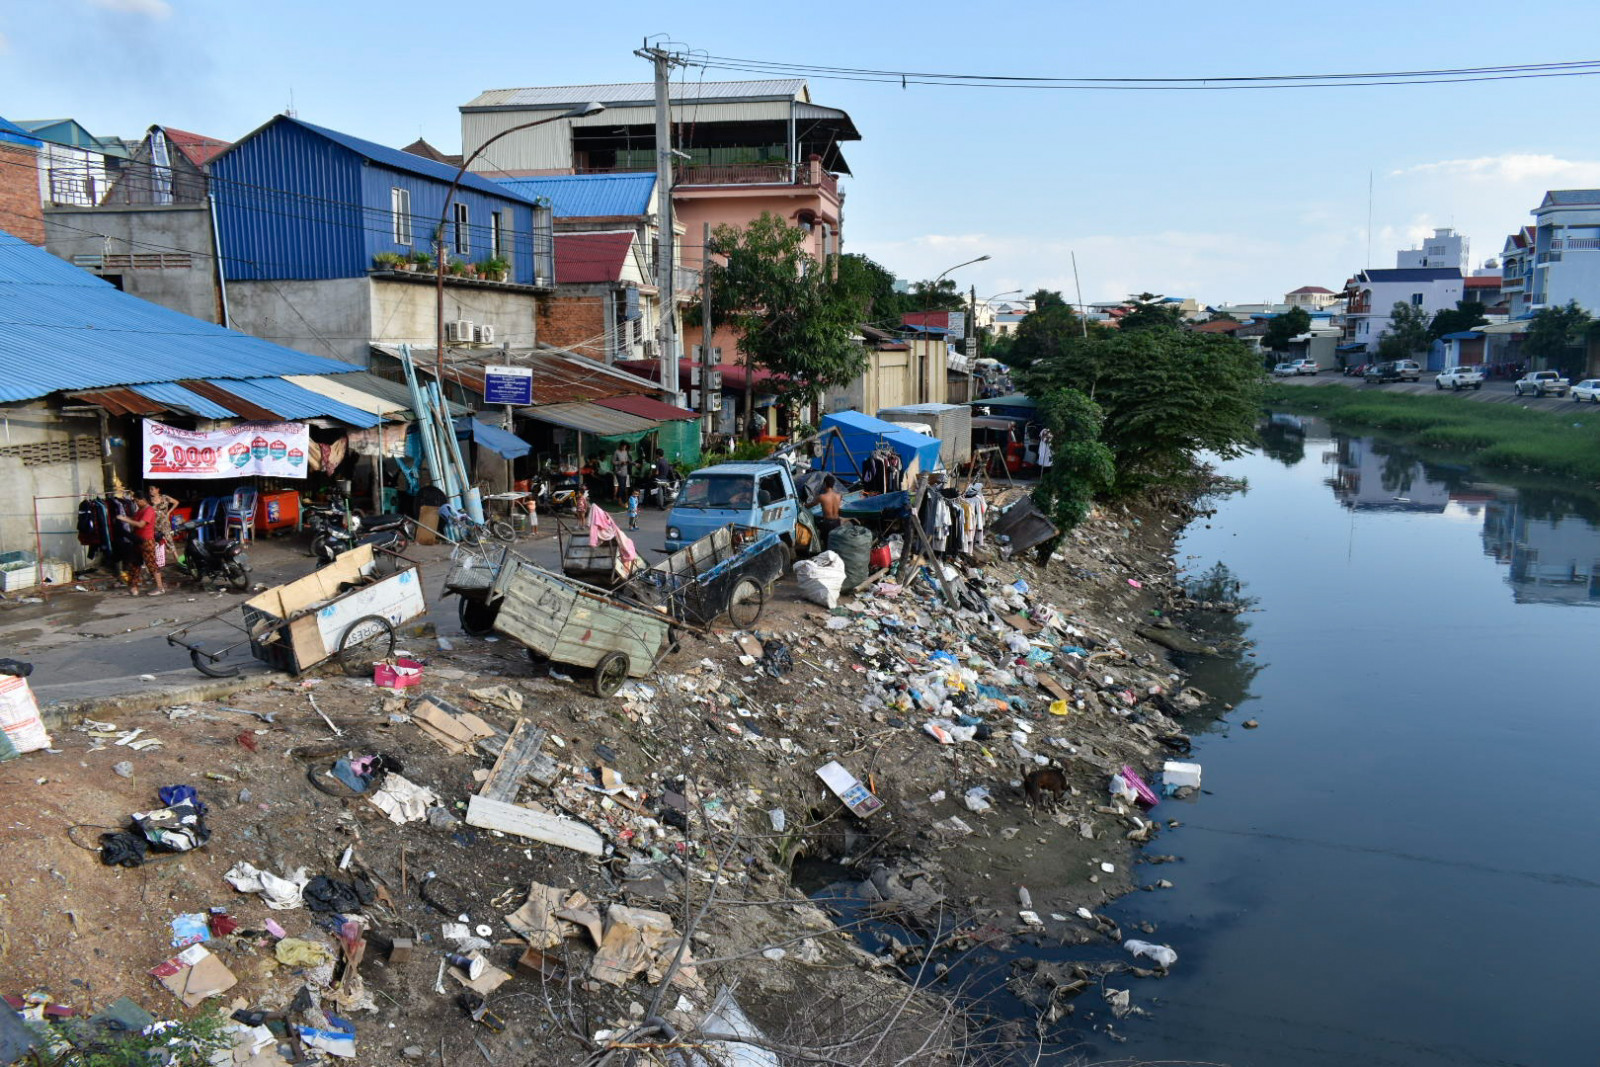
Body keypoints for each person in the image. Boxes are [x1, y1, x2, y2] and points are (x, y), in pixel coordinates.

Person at [117, 493, 165, 596]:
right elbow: (135, 521)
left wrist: (125, 519)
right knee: (135, 564)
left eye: (137, 501)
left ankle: (160, 588)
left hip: (146, 541)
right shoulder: (140, 510)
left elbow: (141, 524)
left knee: (151, 564)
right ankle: (134, 587)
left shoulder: (149, 510)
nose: (136, 503)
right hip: (137, 540)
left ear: (143, 499)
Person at [816, 475, 843, 540]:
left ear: (825, 483)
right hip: (837, 522)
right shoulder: (839, 496)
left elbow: (809, 505)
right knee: (836, 542)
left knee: (827, 542)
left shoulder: (822, 497)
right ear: (833, 484)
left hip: (827, 523)